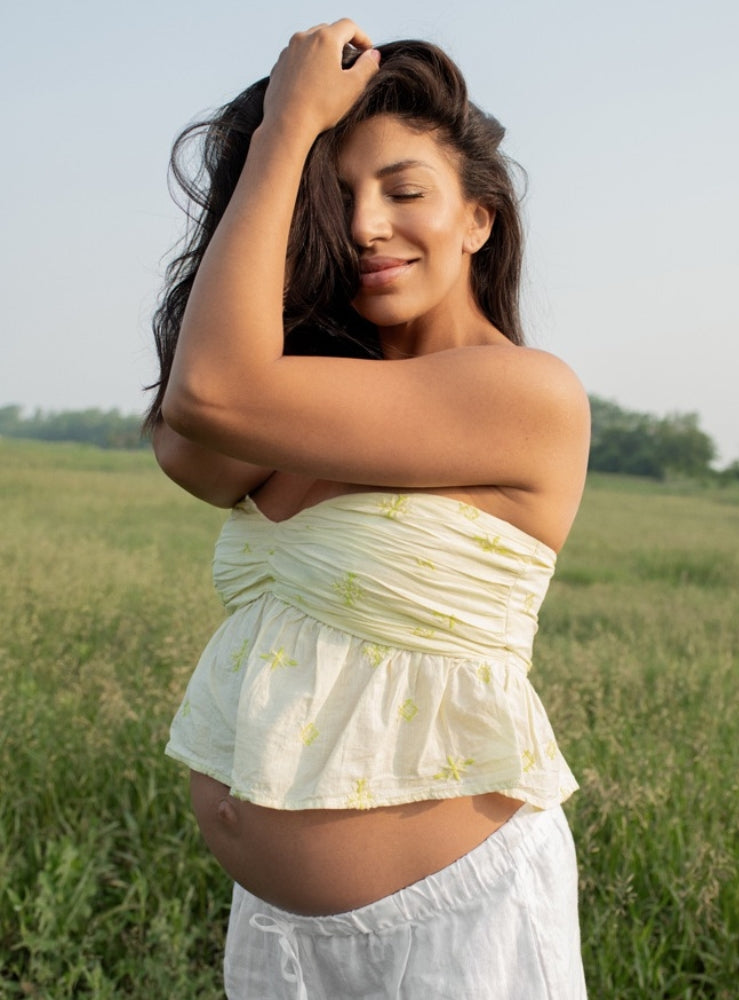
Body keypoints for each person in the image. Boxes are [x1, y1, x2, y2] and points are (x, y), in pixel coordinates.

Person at [147, 19, 590, 999]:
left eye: (403, 190)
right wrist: (277, 161)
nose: (365, 227)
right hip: (279, 936)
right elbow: (189, 448)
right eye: (333, 197)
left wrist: (288, 126)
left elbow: (206, 394)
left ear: (478, 217)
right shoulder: (310, 393)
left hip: (456, 928)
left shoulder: (524, 393)